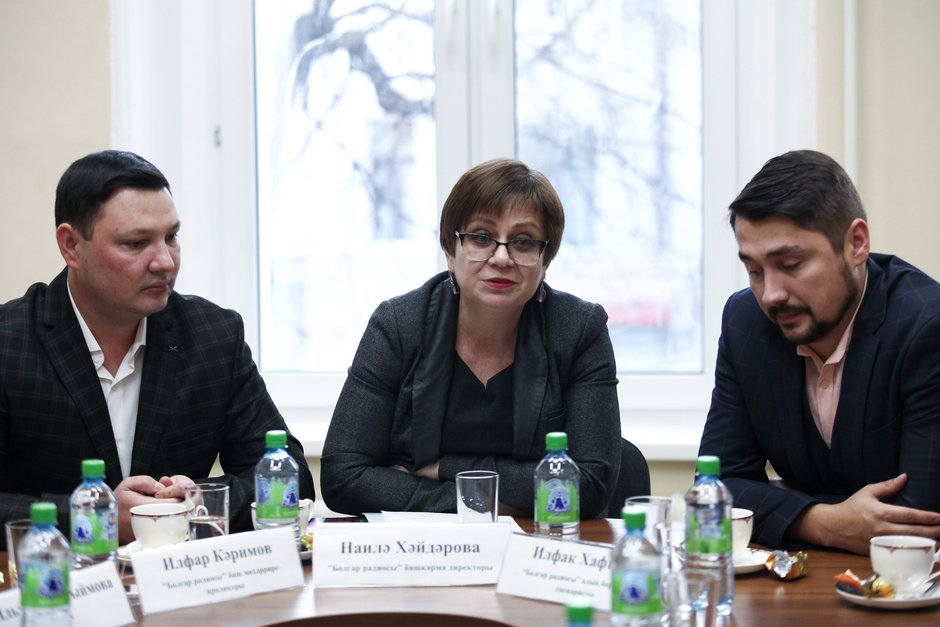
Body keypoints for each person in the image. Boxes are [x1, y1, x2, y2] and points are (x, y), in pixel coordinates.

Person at [0, 150, 314, 545]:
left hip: (180, 576)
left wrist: (198, 502)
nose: (165, 262)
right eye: (136, 243)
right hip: (52, 579)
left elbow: (291, 476)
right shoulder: (10, 343)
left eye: (171, 237)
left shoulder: (213, 337)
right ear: (71, 245)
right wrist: (95, 517)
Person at [320, 158, 623, 517]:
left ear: (545, 260)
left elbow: (590, 486)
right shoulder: (399, 325)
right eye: (481, 237)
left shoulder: (578, 329)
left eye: (523, 242)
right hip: (419, 545)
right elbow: (343, 477)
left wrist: (446, 470)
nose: (501, 257)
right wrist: (489, 504)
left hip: (540, 544)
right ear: (451, 252)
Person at [700, 149, 940, 555]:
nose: (770, 294)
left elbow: (915, 521)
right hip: (798, 579)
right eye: (754, 270)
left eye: (790, 264)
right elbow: (716, 489)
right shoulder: (745, 323)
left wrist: (780, 502)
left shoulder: (925, 325)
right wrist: (824, 522)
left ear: (856, 244)